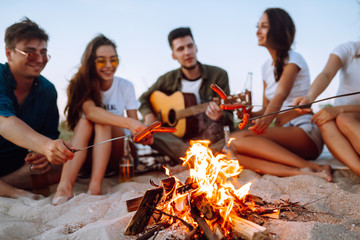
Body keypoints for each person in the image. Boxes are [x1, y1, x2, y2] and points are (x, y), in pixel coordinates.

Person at [229, 8, 332, 181]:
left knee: (234, 140)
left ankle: (315, 166)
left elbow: (281, 94)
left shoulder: (294, 58)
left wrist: (265, 123)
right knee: (234, 155)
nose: (257, 31)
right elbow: (265, 110)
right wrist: (248, 114)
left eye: (264, 26)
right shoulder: (265, 67)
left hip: (304, 132)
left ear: (278, 30)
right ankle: (301, 172)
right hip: (283, 134)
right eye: (257, 26)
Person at [52, 34, 153, 205]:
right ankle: (64, 187)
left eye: (113, 60)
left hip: (119, 155)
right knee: (87, 120)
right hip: (88, 155)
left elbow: (134, 130)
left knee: (103, 122)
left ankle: (95, 186)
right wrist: (129, 122)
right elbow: (91, 112)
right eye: (101, 61)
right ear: (91, 62)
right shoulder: (82, 84)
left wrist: (142, 133)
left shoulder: (125, 86)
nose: (108, 66)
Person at [0, 18, 74, 199]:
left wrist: (43, 154)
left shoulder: (48, 90)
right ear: (9, 54)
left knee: (73, 161)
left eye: (44, 53)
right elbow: (3, 121)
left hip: (17, 165)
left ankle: (4, 185)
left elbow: (49, 135)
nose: (40, 60)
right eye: (30, 53)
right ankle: (13, 192)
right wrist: (45, 146)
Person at [138, 27, 233, 165]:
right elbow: (143, 99)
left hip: (209, 136)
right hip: (176, 140)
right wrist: (149, 116)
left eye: (190, 46)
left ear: (196, 48)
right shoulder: (167, 79)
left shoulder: (218, 75)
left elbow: (229, 117)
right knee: (150, 133)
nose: (187, 52)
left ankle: (190, 159)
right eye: (180, 49)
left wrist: (220, 116)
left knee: (234, 136)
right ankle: (198, 158)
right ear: (173, 55)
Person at [293, 41, 360, 176]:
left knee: (343, 118)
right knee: (323, 120)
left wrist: (340, 110)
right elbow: (327, 73)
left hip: (349, 118)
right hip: (342, 126)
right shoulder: (349, 49)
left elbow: (341, 114)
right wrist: (310, 97)